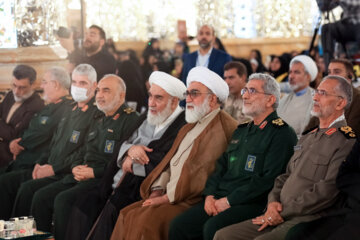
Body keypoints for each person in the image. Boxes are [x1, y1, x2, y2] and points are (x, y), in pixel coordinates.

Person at [213, 75, 356, 240]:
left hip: (307, 218)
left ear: (340, 103)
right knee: (223, 235)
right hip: (277, 211)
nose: (315, 97)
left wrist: (282, 211)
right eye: (316, 92)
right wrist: (273, 203)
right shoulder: (309, 136)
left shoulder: (345, 141)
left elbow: (327, 191)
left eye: (323, 93)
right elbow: (284, 176)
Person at [110, 66, 238, 240]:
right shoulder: (190, 125)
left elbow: (202, 172)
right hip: (171, 193)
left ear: (213, 98)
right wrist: (158, 189)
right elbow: (170, 163)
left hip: (189, 199)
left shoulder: (223, 126)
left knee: (145, 221)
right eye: (188, 94)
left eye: (195, 94)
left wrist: (165, 198)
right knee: (127, 214)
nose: (189, 99)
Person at [169, 73, 298, 240]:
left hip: (252, 202)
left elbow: (268, 180)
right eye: (245, 90)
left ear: (270, 100)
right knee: (179, 225)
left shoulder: (282, 133)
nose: (245, 95)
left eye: (252, 90)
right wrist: (209, 195)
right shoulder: (242, 129)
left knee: (212, 229)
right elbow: (220, 167)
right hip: (222, 197)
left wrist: (229, 201)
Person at [66, 71, 187, 240]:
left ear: (174, 101)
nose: (151, 103)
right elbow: (122, 144)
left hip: (142, 187)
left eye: (158, 98)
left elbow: (161, 160)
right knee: (82, 204)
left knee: (114, 213)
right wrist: (130, 151)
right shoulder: (147, 116)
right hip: (117, 179)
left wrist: (130, 159)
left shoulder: (182, 124)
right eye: (150, 96)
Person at [30, 74, 139, 240]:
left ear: (122, 95)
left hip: (103, 180)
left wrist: (94, 173)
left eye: (106, 91)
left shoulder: (131, 120)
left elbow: (122, 162)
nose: (100, 95)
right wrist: (74, 166)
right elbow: (84, 150)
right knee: (40, 196)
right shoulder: (99, 117)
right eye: (98, 91)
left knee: (63, 200)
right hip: (81, 175)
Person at [0, 64, 99, 220]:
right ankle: (14, 232)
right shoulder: (70, 109)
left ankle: (23, 233)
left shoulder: (95, 114)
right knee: (22, 187)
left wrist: (53, 168)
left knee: (32, 193)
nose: (77, 87)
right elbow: (54, 143)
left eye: (83, 83)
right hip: (48, 166)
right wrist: (40, 164)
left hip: (66, 172)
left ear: (94, 86)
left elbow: (83, 151)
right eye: (75, 82)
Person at [285, 139, 360, 240]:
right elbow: (343, 175)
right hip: (349, 208)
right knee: (297, 234)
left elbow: (327, 192)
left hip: (353, 217)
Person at [2, 67, 73, 173]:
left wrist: (19, 143)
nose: (41, 86)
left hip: (31, 160)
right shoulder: (50, 106)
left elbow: (40, 132)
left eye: (44, 82)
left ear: (55, 84)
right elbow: (31, 129)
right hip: (21, 155)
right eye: (14, 86)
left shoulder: (63, 107)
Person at [0, 65, 44, 168]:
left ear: (32, 85)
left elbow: (14, 134)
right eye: (14, 85)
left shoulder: (37, 105)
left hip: (10, 153)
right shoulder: (11, 95)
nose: (16, 91)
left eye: (22, 87)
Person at [304, 58, 360, 135]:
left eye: (337, 72)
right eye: (329, 72)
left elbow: (351, 134)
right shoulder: (322, 96)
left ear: (350, 76)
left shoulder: (357, 99)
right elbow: (309, 129)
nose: (331, 75)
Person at [277, 55, 318, 137]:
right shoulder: (283, 100)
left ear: (308, 76)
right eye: (290, 72)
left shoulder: (316, 100)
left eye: (296, 72)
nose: (291, 76)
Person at [321, 0, 360, 68]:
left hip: (358, 24)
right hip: (346, 24)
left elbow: (355, 4)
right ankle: (329, 68)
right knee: (326, 28)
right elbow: (324, 7)